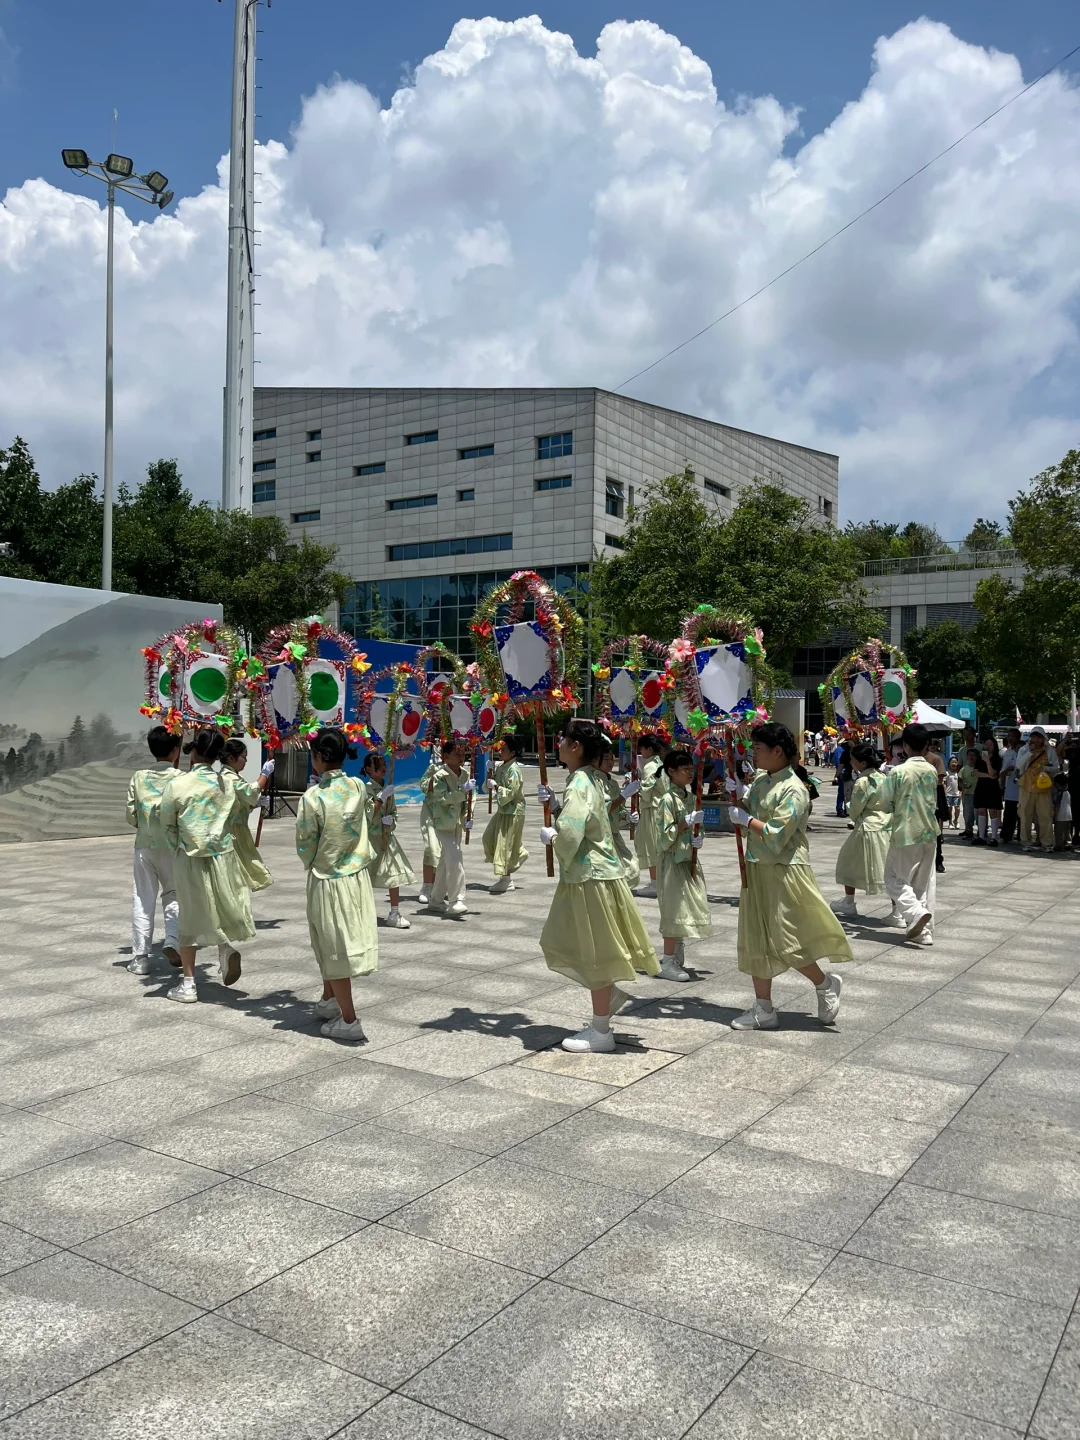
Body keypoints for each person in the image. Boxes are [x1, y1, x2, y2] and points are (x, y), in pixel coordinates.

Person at [539, 718, 658, 1053]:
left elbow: (574, 830)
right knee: (583, 945)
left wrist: (554, 837)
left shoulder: (579, 781)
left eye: (563, 739)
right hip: (600, 873)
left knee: (590, 950)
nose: (559, 743)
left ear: (575, 747)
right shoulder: (592, 778)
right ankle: (606, 1001)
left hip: (589, 876)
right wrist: (556, 809)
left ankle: (601, 1029)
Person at [725, 721, 851, 1031]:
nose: (754, 754)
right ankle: (763, 1008)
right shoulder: (761, 781)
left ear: (778, 751)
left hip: (784, 869)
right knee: (756, 937)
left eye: (758, 749)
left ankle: (823, 983)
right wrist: (736, 795)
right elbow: (747, 809)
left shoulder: (794, 789)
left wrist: (746, 818)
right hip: (757, 866)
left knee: (786, 938)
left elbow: (777, 834)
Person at [159, 728, 256, 1002]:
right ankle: (224, 947)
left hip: (189, 854)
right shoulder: (227, 782)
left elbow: (167, 824)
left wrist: (178, 841)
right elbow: (248, 802)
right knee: (217, 904)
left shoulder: (178, 784)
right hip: (222, 853)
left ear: (195, 751)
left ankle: (189, 982)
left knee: (189, 916)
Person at [295, 729, 377, 1041]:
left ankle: (349, 1018)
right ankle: (330, 999)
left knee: (333, 945)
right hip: (356, 875)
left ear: (318, 757)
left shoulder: (312, 797)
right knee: (332, 940)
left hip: (327, 877)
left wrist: (312, 859)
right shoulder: (357, 785)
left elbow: (305, 842)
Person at [124, 724, 183, 975]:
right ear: (176, 750)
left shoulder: (139, 777)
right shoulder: (182, 779)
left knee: (143, 899)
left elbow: (130, 815)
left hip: (145, 845)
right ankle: (172, 940)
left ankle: (140, 958)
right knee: (174, 895)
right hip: (174, 846)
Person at [879, 721, 939, 945]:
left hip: (906, 831)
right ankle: (923, 932)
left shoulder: (898, 772)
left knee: (894, 878)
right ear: (927, 746)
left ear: (904, 746)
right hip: (929, 832)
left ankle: (914, 914)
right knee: (921, 883)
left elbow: (885, 802)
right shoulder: (931, 770)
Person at [654, 748, 710, 982]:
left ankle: (676, 950)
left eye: (691, 768)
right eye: (685, 769)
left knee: (685, 907)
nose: (690, 772)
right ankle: (667, 960)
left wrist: (699, 836)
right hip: (672, 861)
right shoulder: (667, 799)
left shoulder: (690, 797)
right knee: (674, 909)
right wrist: (684, 823)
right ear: (671, 772)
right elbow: (665, 836)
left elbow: (698, 827)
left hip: (688, 859)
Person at [832, 741, 890, 917]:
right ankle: (897, 911)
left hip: (867, 827)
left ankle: (849, 902)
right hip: (886, 826)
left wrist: (851, 811)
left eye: (853, 759)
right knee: (890, 870)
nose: (850, 762)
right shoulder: (884, 778)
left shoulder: (862, 781)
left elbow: (855, 809)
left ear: (862, 763)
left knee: (848, 863)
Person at [360, 751, 415, 928]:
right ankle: (362, 912)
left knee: (394, 872)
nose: (383, 768)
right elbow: (368, 814)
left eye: (384, 764)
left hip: (386, 837)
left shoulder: (388, 786)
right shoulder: (366, 789)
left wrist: (390, 821)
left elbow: (394, 812)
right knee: (365, 877)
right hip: (370, 839)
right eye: (378, 765)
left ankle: (394, 912)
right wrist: (381, 798)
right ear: (368, 769)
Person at [425, 738, 474, 916]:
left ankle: (436, 899)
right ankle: (456, 899)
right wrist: (462, 793)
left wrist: (470, 815)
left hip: (458, 823)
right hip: (442, 822)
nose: (461, 757)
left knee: (447, 861)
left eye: (463, 753)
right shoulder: (439, 776)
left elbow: (471, 798)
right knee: (455, 856)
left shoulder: (465, 774)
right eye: (457, 754)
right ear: (446, 757)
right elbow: (442, 798)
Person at [220, 739, 275, 892]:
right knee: (237, 873)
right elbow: (250, 791)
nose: (246, 761)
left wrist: (255, 805)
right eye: (243, 757)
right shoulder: (228, 777)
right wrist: (264, 774)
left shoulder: (232, 776)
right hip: (231, 832)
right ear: (231, 758)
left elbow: (240, 802)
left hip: (238, 829)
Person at [482, 734, 529, 894]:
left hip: (513, 810)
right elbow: (489, 785)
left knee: (504, 844)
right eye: (500, 749)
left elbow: (511, 792)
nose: (500, 752)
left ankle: (506, 879)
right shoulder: (502, 766)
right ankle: (520, 853)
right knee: (489, 837)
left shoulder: (514, 770)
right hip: (503, 810)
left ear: (513, 752)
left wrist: (495, 787)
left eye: (504, 749)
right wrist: (489, 774)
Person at [596, 735, 640, 891]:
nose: (610, 762)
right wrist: (624, 795)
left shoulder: (613, 782)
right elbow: (604, 808)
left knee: (631, 867)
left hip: (614, 834)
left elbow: (618, 810)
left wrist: (627, 816)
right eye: (606, 759)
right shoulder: (595, 782)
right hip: (601, 835)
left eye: (612, 759)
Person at [632, 732, 669, 898]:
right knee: (659, 845)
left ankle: (655, 884)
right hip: (661, 809)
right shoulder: (661, 764)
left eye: (642, 748)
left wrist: (637, 788)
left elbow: (646, 791)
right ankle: (661, 882)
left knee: (651, 846)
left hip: (651, 809)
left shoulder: (649, 767)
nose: (641, 751)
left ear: (648, 749)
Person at [1016, 726, 1060, 852]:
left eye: (1038, 737)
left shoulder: (1049, 750)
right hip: (1026, 786)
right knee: (1025, 815)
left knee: (1045, 816)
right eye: (1034, 737)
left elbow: (1056, 767)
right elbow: (1019, 765)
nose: (1036, 740)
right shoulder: (1024, 749)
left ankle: (1047, 843)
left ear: (1043, 738)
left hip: (1043, 787)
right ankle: (1026, 842)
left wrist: (1045, 769)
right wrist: (1030, 752)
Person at [417, 756, 441, 905]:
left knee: (445, 852)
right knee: (431, 849)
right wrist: (434, 778)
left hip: (449, 817)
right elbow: (424, 786)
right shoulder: (434, 768)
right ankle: (427, 886)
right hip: (431, 813)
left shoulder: (462, 772)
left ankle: (439, 886)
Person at [972, 734, 1003, 846]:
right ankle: (981, 836)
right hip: (981, 786)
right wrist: (989, 776)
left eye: (990, 744)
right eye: (986, 744)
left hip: (992, 788)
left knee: (992, 811)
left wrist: (988, 762)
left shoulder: (997, 759)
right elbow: (976, 773)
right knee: (981, 810)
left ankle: (994, 837)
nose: (988, 746)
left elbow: (993, 773)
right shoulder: (979, 759)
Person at [999, 727, 1023, 844]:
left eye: (1013, 736)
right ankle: (1007, 835)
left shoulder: (1024, 751)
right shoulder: (1007, 752)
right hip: (1010, 785)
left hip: (1022, 787)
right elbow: (1003, 771)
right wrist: (1002, 784)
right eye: (1009, 736)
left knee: (1022, 814)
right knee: (1009, 812)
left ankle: (1022, 835)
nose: (1010, 739)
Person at [1061, 730, 1080, 846]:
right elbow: (1060, 754)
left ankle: (1076, 833)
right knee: (1072, 810)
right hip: (1073, 783)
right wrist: (1065, 741)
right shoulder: (1071, 750)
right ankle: (1072, 834)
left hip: (1075, 782)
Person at [959, 747, 979, 839]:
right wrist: (963, 786)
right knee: (968, 813)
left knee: (979, 813)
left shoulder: (980, 768)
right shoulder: (964, 769)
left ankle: (981, 830)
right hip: (968, 794)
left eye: (974, 755)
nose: (971, 757)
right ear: (967, 756)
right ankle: (968, 830)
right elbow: (959, 780)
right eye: (970, 755)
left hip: (979, 794)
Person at [1052, 771, 1073, 851]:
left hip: (1061, 816)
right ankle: (1067, 843)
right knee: (1066, 831)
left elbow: (1058, 805)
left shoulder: (1059, 794)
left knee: (1058, 832)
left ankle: (1059, 846)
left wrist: (1055, 816)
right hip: (1068, 816)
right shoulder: (1067, 793)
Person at [834, 738, 850, 816]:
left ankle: (847, 809)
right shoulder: (839, 750)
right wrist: (839, 774)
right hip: (843, 773)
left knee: (848, 793)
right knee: (842, 792)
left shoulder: (848, 750)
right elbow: (838, 763)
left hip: (850, 773)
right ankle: (839, 808)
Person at [944, 756, 962, 830]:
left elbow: (961, 784)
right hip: (948, 794)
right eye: (952, 762)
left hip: (957, 794)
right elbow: (944, 783)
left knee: (957, 808)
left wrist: (961, 792)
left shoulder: (959, 773)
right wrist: (944, 792)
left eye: (955, 762)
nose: (954, 763)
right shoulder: (947, 773)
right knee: (949, 809)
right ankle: (950, 822)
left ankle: (956, 821)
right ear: (949, 764)